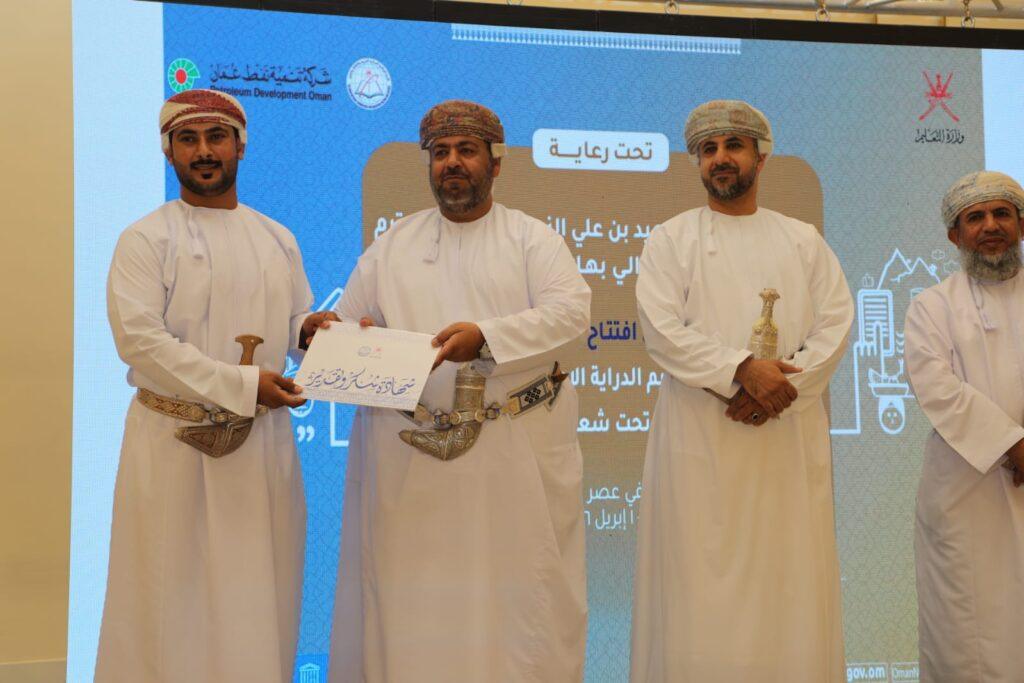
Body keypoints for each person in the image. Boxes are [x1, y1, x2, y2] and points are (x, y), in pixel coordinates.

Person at [319, 100, 591, 682]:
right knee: (415, 609)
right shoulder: (393, 246)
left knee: (515, 609)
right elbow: (340, 327)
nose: (451, 163)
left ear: (496, 163)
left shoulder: (533, 241)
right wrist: (331, 334)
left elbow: (571, 315)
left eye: (466, 151)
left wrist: (486, 338)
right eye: (440, 153)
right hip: (412, 466)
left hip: (511, 462)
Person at [97, 89, 321, 682]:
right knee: (169, 608)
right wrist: (241, 384)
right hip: (173, 450)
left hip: (262, 454)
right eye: (188, 139)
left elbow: (294, 324)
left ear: (240, 147)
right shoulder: (146, 239)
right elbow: (140, 342)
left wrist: (316, 332)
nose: (203, 151)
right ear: (168, 151)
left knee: (260, 603)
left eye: (216, 137)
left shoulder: (277, 238)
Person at [629, 99, 853, 681]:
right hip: (698, 442)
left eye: (733, 146)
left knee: (789, 586)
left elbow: (836, 324)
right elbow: (660, 330)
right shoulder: (670, 239)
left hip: (785, 441)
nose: (720, 158)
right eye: (708, 149)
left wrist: (779, 389)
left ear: (761, 156)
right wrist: (741, 370)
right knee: (698, 593)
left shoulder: (802, 240)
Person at [904, 171, 1024, 682]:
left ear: (1021, 225)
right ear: (955, 235)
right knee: (968, 640)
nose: (990, 226)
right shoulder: (931, 307)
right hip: (964, 498)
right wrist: (1013, 444)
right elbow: (937, 389)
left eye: (1002, 214)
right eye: (975, 217)